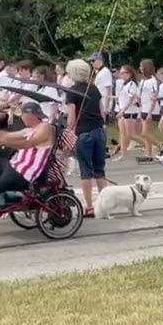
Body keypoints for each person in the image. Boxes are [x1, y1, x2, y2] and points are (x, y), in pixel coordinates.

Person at [63, 59, 107, 217]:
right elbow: (102, 111)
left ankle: (89, 206)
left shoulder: (72, 91)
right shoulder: (94, 88)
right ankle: (104, 204)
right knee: (100, 170)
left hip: (84, 132)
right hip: (99, 130)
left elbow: (71, 117)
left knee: (86, 171)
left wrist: (69, 131)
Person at [113, 65, 140, 162]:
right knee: (123, 134)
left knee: (130, 134)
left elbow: (132, 99)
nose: (122, 75)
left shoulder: (132, 84)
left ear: (129, 74)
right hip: (123, 110)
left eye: (124, 73)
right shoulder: (124, 84)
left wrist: (122, 111)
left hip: (130, 111)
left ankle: (151, 145)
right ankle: (123, 154)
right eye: (121, 73)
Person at [136, 60, 159, 161]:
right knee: (146, 134)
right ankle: (148, 154)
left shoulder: (153, 80)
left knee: (145, 133)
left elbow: (154, 96)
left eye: (142, 66)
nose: (140, 68)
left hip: (150, 108)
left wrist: (150, 112)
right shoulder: (143, 80)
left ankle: (160, 146)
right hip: (143, 107)